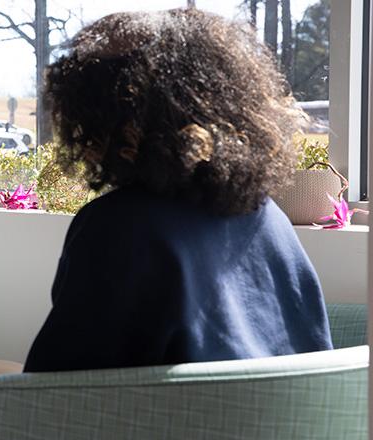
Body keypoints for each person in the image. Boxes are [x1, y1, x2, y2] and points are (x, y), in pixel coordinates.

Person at [24, 9, 333, 373]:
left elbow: (51, 393)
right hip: (289, 429)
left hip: (164, 431)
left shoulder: (120, 228)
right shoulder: (268, 219)